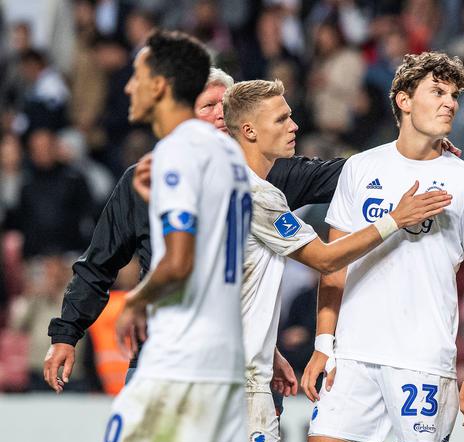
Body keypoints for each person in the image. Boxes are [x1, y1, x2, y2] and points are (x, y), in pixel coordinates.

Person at [43, 67, 346, 392]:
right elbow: (97, 266)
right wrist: (65, 335)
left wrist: (403, 150)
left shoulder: (269, 174)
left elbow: (348, 172)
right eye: (208, 106)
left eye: (225, 106)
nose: (220, 114)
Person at [219, 78, 451, 442]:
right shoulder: (255, 194)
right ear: (249, 131)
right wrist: (394, 220)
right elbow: (326, 259)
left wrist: (269, 348)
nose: (294, 127)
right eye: (281, 120)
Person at [302, 51, 464, 442]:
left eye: (454, 95)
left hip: (423, 359)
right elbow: (334, 263)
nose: (451, 103)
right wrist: (324, 343)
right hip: (352, 355)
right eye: (438, 91)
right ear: (404, 101)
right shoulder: (359, 168)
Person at [94, 30, 250, 442]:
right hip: (225, 359)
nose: (128, 86)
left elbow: (180, 261)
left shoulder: (179, 152)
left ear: (160, 85)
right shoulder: (228, 156)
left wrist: (136, 300)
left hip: (180, 356)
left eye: (136, 75)